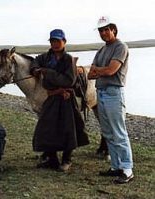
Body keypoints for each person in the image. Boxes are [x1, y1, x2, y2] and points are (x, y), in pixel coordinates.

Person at [30, 29, 89, 172]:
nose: (55, 44)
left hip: (66, 98)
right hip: (52, 97)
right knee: (46, 127)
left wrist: (47, 72)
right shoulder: (45, 57)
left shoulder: (68, 59)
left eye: (58, 41)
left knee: (68, 128)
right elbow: (35, 63)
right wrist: (36, 70)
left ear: (64, 42)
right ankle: (52, 159)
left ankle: (67, 159)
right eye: (53, 41)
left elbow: (68, 80)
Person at [88, 16, 134, 184]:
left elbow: (111, 70)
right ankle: (116, 166)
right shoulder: (101, 51)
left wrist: (99, 70)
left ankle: (127, 169)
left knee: (118, 132)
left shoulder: (120, 47)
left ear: (113, 29)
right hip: (101, 92)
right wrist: (101, 70)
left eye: (107, 29)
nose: (104, 33)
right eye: (101, 30)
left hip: (114, 92)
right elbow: (90, 74)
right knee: (108, 132)